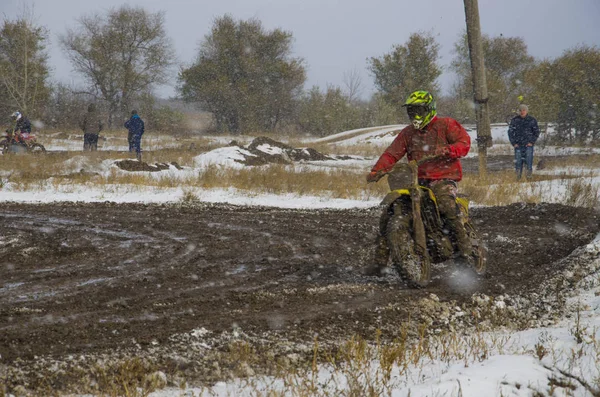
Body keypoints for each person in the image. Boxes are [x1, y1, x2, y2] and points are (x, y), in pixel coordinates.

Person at [366, 90, 472, 273]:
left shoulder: (446, 124)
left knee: (446, 205)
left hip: (444, 178)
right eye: (411, 111)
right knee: (389, 213)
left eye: (418, 111)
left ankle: (464, 255)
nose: (415, 116)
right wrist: (377, 170)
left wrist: (449, 150)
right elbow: (392, 153)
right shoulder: (408, 133)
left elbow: (464, 143)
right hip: (416, 180)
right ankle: (380, 262)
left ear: (428, 109)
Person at [508, 104, 540, 180]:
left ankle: (528, 179)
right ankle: (518, 180)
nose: (522, 112)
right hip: (518, 146)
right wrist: (514, 143)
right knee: (518, 164)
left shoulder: (532, 120)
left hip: (528, 146)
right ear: (518, 111)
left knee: (528, 164)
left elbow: (536, 132)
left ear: (526, 111)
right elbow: (510, 132)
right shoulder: (515, 120)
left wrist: (531, 142)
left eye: (524, 110)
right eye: (520, 110)